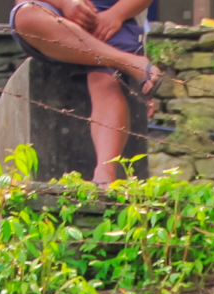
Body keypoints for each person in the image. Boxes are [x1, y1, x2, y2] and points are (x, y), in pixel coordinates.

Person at [9, 0, 165, 186]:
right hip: (54, 16)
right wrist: (66, 3)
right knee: (26, 15)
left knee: (106, 81)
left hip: (110, 16)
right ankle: (125, 61)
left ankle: (105, 174)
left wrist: (117, 14)